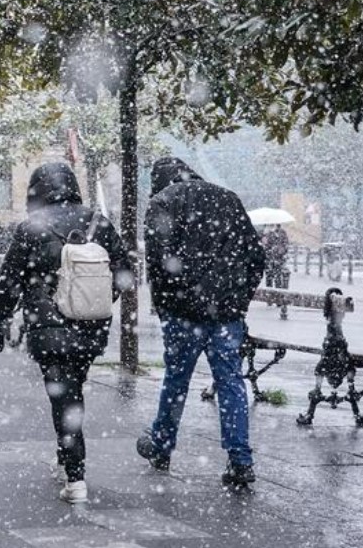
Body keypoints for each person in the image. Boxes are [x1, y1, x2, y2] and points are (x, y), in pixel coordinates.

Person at [0, 162, 131, 504]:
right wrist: (95, 299)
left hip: (48, 327)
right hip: (90, 326)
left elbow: (8, 282)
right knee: (72, 390)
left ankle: (75, 477)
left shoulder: (31, 227)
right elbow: (125, 272)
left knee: (63, 397)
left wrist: (0, 320)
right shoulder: (98, 222)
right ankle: (66, 457)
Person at [136, 157, 266, 488]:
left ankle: (162, 446)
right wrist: (238, 301)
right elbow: (255, 256)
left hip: (184, 313)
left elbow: (159, 264)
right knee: (231, 383)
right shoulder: (227, 198)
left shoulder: (163, 202)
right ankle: (240, 460)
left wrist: (166, 307)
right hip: (225, 315)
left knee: (176, 380)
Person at [261, 224, 290, 289]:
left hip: (279, 259)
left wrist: (280, 249)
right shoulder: (266, 233)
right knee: (269, 277)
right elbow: (264, 247)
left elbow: (286, 245)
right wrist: (265, 244)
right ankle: (269, 292)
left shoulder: (282, 232)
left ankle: (277, 292)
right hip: (269, 259)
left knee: (278, 277)